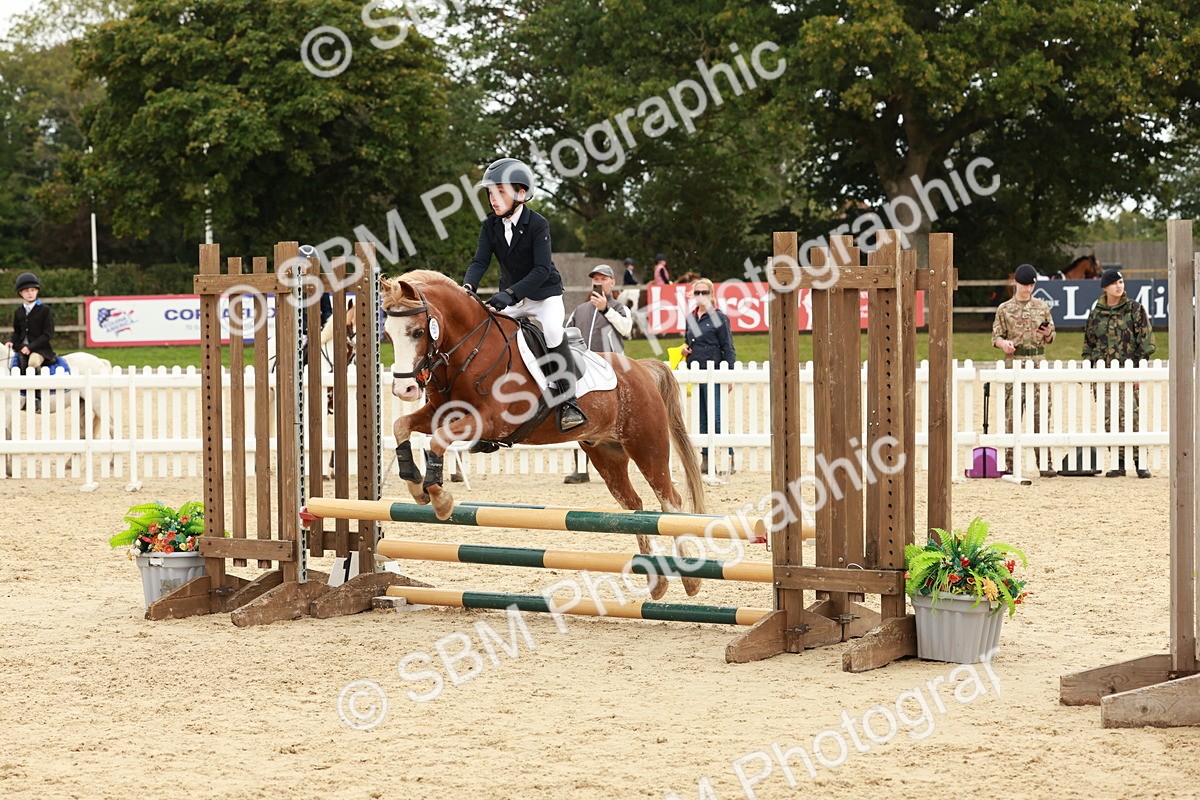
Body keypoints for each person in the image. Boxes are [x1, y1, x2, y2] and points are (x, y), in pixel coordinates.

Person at [463, 157, 586, 432]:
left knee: (553, 331)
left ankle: (570, 402)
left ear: (521, 194)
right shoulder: (490, 225)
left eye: (501, 192)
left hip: (545, 296)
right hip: (512, 297)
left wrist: (509, 294)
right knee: (487, 332)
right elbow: (480, 261)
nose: (494, 200)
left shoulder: (538, 224)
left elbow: (542, 269)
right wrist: (468, 287)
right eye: (490, 193)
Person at [561, 264, 633, 484]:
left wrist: (606, 310)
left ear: (612, 283)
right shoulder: (580, 310)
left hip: (610, 369)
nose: (599, 281)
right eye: (596, 278)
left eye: (603, 278)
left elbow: (626, 329)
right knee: (580, 415)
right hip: (583, 368)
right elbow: (564, 333)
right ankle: (581, 468)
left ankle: (618, 466)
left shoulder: (620, 308)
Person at [1083, 268, 1156, 478]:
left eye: (1121, 282)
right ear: (1105, 287)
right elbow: (1088, 344)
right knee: (1110, 419)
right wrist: (1089, 368)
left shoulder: (1135, 309)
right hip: (1103, 374)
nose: (1119, 286)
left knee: (1132, 417)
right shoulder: (1097, 313)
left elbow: (1146, 342)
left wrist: (1139, 371)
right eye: (1114, 282)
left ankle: (1140, 460)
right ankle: (1118, 461)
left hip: (1128, 371)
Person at [991, 264, 1056, 477]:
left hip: (1037, 362)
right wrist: (1004, 344)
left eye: (1031, 285)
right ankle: (1009, 464)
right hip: (1015, 362)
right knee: (1012, 416)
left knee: (1041, 416)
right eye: (1024, 285)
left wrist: (1047, 334)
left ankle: (1045, 464)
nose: (1028, 289)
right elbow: (996, 336)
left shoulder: (1042, 307)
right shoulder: (1004, 309)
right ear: (1015, 283)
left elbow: (1051, 336)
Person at [681, 277, 735, 475]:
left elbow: (728, 347)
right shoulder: (691, 318)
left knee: (717, 417)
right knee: (702, 418)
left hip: (715, 373)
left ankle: (728, 456)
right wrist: (685, 350)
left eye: (705, 293)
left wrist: (729, 375)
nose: (701, 296)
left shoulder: (720, 318)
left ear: (712, 295)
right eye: (697, 293)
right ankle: (706, 457)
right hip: (697, 373)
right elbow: (689, 341)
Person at [5, 272, 57, 412]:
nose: (30, 293)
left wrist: (31, 347)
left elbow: (48, 334)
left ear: (37, 291)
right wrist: (11, 342)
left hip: (40, 349)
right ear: (21, 293)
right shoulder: (19, 312)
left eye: (33, 290)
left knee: (33, 363)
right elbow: (17, 332)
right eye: (27, 291)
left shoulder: (44, 310)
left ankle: (37, 397)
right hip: (21, 348)